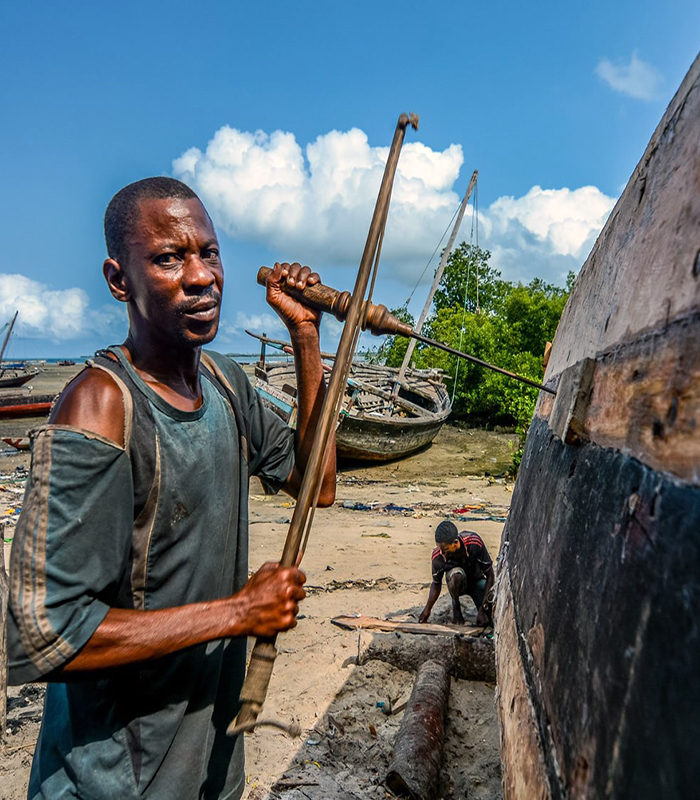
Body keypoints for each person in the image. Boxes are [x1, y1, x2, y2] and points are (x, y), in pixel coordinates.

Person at [7, 177, 336, 800]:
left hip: (206, 765)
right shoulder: (99, 408)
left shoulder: (224, 382)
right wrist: (240, 612)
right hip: (110, 782)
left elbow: (316, 485)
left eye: (208, 253)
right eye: (168, 258)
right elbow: (44, 635)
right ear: (118, 279)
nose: (200, 276)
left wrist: (306, 337)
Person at [418, 520, 494, 626]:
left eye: (445, 549)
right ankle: (456, 604)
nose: (442, 553)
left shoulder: (474, 543)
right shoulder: (438, 557)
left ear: (455, 543)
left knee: (490, 617)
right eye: (439, 548)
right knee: (456, 576)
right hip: (458, 584)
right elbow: (436, 584)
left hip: (476, 579)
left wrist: (483, 608)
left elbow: (490, 575)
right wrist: (427, 610)